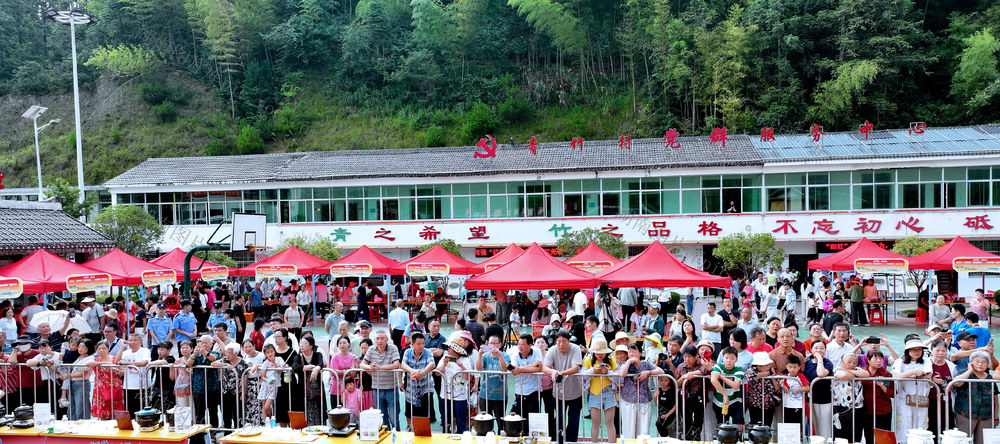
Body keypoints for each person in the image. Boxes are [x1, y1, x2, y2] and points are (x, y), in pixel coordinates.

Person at [543, 329, 583, 444]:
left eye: (564, 341)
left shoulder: (575, 349)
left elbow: (576, 367)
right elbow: (544, 367)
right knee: (559, 419)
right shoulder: (552, 350)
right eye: (559, 341)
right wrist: (552, 372)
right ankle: (558, 441)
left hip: (575, 392)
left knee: (574, 420)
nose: (561, 344)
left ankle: (571, 442)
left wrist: (561, 373)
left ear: (569, 341)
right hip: (558, 393)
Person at [618, 343, 663, 439]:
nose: (631, 354)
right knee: (628, 428)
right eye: (629, 352)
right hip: (628, 400)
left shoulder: (646, 364)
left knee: (644, 429)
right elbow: (622, 374)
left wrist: (649, 372)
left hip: (644, 400)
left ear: (640, 353)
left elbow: (661, 371)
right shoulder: (624, 364)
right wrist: (629, 361)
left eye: (634, 351)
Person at [952, 351, 998, 444]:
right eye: (977, 361)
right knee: (963, 440)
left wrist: (996, 416)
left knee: (983, 441)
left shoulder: (990, 378)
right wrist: (969, 371)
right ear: (971, 362)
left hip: (986, 416)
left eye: (984, 361)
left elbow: (995, 399)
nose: (980, 364)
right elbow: (956, 383)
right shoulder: (964, 374)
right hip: (965, 414)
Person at [892, 340, 932, 442]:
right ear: (907, 351)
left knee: (920, 423)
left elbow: (928, 375)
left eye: (919, 349)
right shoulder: (900, 361)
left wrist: (912, 375)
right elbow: (896, 376)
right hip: (904, 398)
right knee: (905, 423)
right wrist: (913, 372)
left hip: (922, 396)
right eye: (913, 349)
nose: (916, 352)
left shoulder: (927, 361)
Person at [361, 330, 401, 430]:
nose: (380, 341)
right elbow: (362, 364)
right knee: (382, 419)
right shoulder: (371, 349)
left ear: (387, 339)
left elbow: (396, 364)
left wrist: (379, 367)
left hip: (391, 388)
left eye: (382, 338)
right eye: (377, 338)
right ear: (374, 340)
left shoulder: (393, 348)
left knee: (394, 418)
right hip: (377, 389)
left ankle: (398, 436)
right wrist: (370, 367)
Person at [582, 335, 617, 442]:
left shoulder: (611, 360)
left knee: (610, 422)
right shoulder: (588, 361)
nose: (600, 354)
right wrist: (592, 370)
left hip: (609, 392)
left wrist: (608, 373)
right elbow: (581, 375)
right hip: (594, 393)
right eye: (598, 352)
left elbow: (618, 377)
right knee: (595, 423)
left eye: (603, 352)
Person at [437, 332, 473, 433]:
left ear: (456, 350)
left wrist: (462, 367)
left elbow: (468, 378)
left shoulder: (465, 360)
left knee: (461, 421)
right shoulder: (445, 358)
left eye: (450, 348)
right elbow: (437, 373)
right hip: (445, 395)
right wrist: (444, 365)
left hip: (460, 396)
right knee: (446, 421)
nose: (448, 349)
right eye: (448, 347)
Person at [400, 331, 435, 429]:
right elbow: (403, 364)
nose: (421, 346)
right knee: (409, 407)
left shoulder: (428, 352)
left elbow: (432, 364)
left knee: (424, 410)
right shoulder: (407, 352)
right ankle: (409, 426)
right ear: (412, 344)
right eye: (418, 344)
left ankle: (423, 429)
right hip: (411, 386)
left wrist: (421, 373)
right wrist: (412, 371)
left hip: (425, 386)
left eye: (423, 343)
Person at [859, 349, 895, 444]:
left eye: (881, 358)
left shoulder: (886, 374)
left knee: (884, 437)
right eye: (875, 358)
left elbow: (893, 393)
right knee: (868, 435)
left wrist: (882, 385)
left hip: (883, 410)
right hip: (867, 410)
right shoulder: (861, 373)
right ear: (868, 360)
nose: (879, 361)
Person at [676, 344, 710, 440]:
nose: (687, 359)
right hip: (684, 397)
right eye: (685, 356)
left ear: (696, 356)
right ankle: (687, 439)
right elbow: (676, 384)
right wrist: (683, 377)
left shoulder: (702, 363)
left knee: (698, 420)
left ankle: (697, 438)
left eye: (689, 356)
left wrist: (691, 373)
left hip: (698, 396)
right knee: (687, 421)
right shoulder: (680, 366)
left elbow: (705, 370)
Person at [832, 353, 866, 443]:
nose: (852, 365)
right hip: (842, 407)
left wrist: (850, 372)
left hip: (858, 407)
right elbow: (843, 376)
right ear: (842, 362)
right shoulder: (837, 369)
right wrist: (856, 374)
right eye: (849, 362)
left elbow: (866, 374)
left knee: (856, 435)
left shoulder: (858, 369)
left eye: (854, 362)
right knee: (842, 436)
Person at [927, 339, 957, 439]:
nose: (940, 353)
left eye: (943, 350)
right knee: (930, 427)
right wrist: (932, 381)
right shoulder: (925, 363)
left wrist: (944, 383)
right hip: (928, 401)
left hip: (946, 401)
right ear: (931, 350)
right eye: (937, 350)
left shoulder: (951, 366)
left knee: (948, 427)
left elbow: (954, 385)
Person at [292, 336, 326, 425]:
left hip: (316, 389)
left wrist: (316, 368)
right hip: (302, 389)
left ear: (311, 346)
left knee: (319, 409)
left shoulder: (317, 355)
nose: (301, 345)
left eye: (304, 343)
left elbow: (320, 363)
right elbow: (295, 367)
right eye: (301, 343)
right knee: (303, 409)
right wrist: (306, 367)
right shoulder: (298, 357)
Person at [114, 333, 149, 417]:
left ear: (140, 342)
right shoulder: (126, 352)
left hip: (141, 386)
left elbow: (143, 363)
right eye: (130, 340)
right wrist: (122, 347)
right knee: (130, 410)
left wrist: (127, 363)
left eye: (135, 340)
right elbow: (116, 362)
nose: (132, 342)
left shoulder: (145, 351)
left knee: (142, 410)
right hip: (128, 386)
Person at [88, 340, 124, 419]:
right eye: (99, 348)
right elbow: (88, 363)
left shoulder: (115, 359)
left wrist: (115, 371)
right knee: (103, 410)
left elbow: (122, 372)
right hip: (101, 388)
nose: (101, 350)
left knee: (116, 408)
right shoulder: (95, 360)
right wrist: (103, 364)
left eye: (103, 348)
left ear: (108, 349)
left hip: (114, 386)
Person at [805, 340, 834, 437]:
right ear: (811, 350)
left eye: (822, 348)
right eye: (816, 348)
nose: (819, 350)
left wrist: (819, 360)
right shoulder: (807, 362)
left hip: (824, 400)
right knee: (813, 427)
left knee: (824, 427)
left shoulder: (827, 363)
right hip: (810, 399)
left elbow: (821, 374)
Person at [710, 347, 745, 427]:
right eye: (726, 358)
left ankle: (738, 438)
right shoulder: (718, 366)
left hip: (735, 399)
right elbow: (713, 380)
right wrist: (725, 395)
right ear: (723, 358)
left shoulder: (738, 369)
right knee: (722, 424)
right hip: (719, 401)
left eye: (732, 358)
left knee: (739, 422)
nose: (729, 361)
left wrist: (722, 377)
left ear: (736, 359)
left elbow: (736, 385)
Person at [510, 334, 542, 417]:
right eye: (519, 344)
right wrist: (533, 365)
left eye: (523, 344)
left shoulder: (537, 351)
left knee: (534, 417)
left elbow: (539, 368)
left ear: (530, 345)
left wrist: (521, 370)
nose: (520, 347)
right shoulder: (515, 354)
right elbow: (514, 369)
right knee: (521, 417)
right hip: (520, 390)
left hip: (535, 390)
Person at [744, 352, 779, 427]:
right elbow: (749, 379)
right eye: (765, 365)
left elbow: (777, 386)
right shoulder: (751, 371)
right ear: (759, 365)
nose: (768, 366)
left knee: (767, 425)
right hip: (755, 403)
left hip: (769, 403)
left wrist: (772, 378)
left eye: (768, 364)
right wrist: (759, 375)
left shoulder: (771, 370)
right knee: (755, 425)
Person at [781, 355, 810, 426]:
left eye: (795, 367)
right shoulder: (785, 377)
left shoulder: (801, 376)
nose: (792, 369)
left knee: (799, 424)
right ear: (786, 367)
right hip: (788, 404)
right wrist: (782, 385)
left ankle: (799, 436)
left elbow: (807, 388)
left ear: (799, 367)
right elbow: (787, 391)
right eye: (790, 367)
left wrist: (798, 389)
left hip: (799, 405)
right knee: (788, 424)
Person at [654, 367, 677, 438]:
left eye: (665, 380)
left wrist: (667, 414)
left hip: (671, 413)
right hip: (662, 413)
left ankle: (666, 438)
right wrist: (655, 396)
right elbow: (656, 404)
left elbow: (675, 406)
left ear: (670, 381)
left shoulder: (673, 390)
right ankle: (666, 438)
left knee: (660, 423)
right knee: (659, 423)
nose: (663, 382)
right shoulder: (659, 390)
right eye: (661, 380)